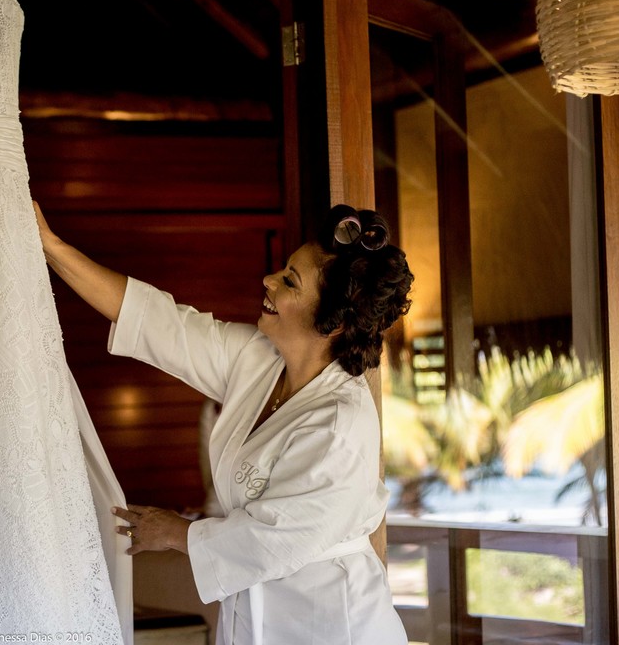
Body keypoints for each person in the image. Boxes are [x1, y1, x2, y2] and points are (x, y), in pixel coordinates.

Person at [36, 202, 413, 645]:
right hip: (256, 611)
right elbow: (160, 324)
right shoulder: (258, 359)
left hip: (330, 621)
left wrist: (177, 532)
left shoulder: (339, 422)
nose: (268, 281)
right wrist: (50, 246)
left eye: (289, 281)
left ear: (331, 322)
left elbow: (278, 539)